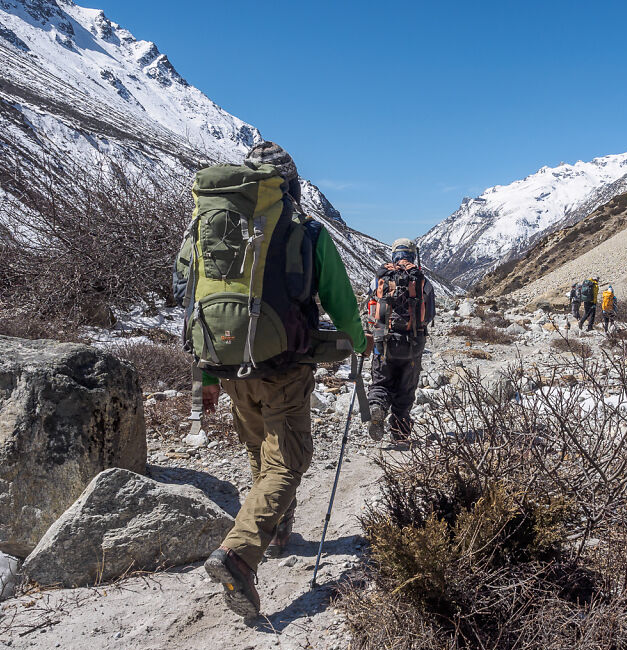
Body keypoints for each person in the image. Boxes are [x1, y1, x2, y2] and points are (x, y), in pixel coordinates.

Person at [174, 141, 370, 620]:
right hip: (284, 366)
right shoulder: (304, 231)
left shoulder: (206, 224)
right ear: (290, 185)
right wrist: (358, 342)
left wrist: (208, 372)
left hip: (227, 362)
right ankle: (239, 555)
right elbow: (340, 302)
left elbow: (187, 291)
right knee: (287, 460)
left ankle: (278, 530)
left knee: (260, 447)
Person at [365, 238, 436, 446]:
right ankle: (400, 434)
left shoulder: (381, 277)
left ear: (394, 254)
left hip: (383, 342)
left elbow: (370, 309)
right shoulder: (421, 279)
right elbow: (429, 314)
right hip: (413, 343)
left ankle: (377, 404)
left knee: (380, 382)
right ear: (413, 255)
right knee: (406, 390)